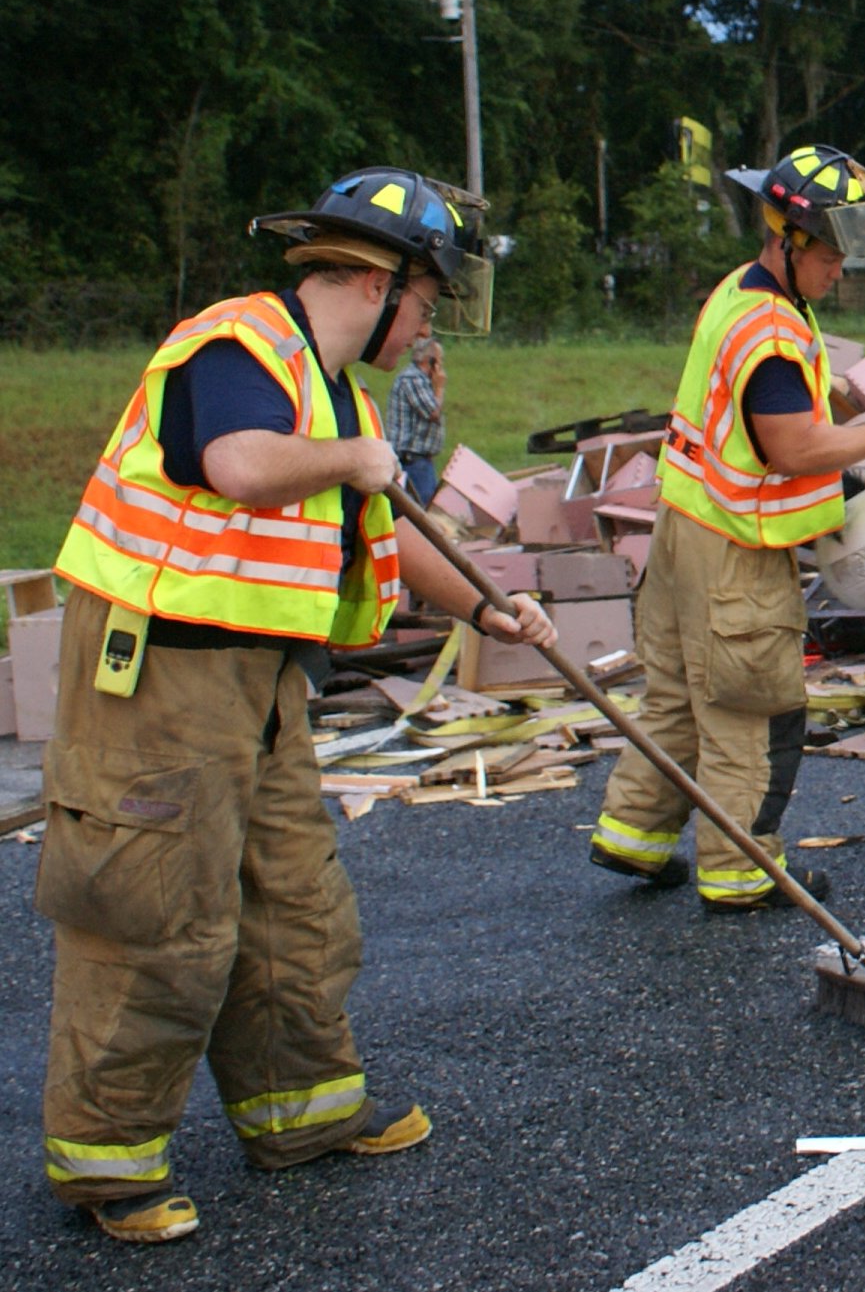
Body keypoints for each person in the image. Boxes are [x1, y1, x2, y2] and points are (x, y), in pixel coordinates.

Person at [39, 168, 558, 1244]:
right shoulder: (237, 348)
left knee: (293, 903)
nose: (426, 330)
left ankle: (303, 1114)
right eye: (426, 303)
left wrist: (493, 608)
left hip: (262, 683)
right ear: (380, 278)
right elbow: (236, 464)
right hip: (161, 675)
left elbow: (398, 532)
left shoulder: (339, 396)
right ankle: (109, 1165)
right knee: (158, 916)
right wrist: (349, 456)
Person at [589, 144, 865, 909]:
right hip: (735, 552)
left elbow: (755, 429)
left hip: (683, 532)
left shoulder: (740, 295)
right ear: (789, 237)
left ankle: (632, 834)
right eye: (833, 253)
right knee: (752, 710)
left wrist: (841, 427)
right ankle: (740, 869)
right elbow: (789, 447)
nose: (840, 269)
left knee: (681, 698)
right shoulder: (773, 331)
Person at [386, 334, 447, 503]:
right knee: (423, 513)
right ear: (431, 361)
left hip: (420, 461)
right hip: (412, 461)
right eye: (440, 360)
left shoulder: (421, 381)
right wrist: (440, 388)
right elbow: (433, 411)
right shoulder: (412, 379)